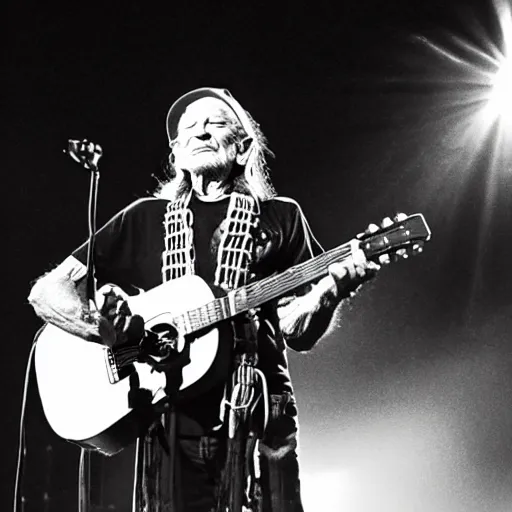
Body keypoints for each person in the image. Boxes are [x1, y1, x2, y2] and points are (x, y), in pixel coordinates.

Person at [28, 87, 379, 512]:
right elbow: (47, 292)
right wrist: (103, 333)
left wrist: (329, 292)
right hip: (171, 413)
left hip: (258, 411)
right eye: (187, 129)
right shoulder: (144, 217)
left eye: (214, 124)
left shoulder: (282, 217)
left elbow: (295, 331)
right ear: (176, 154)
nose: (199, 133)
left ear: (242, 146)